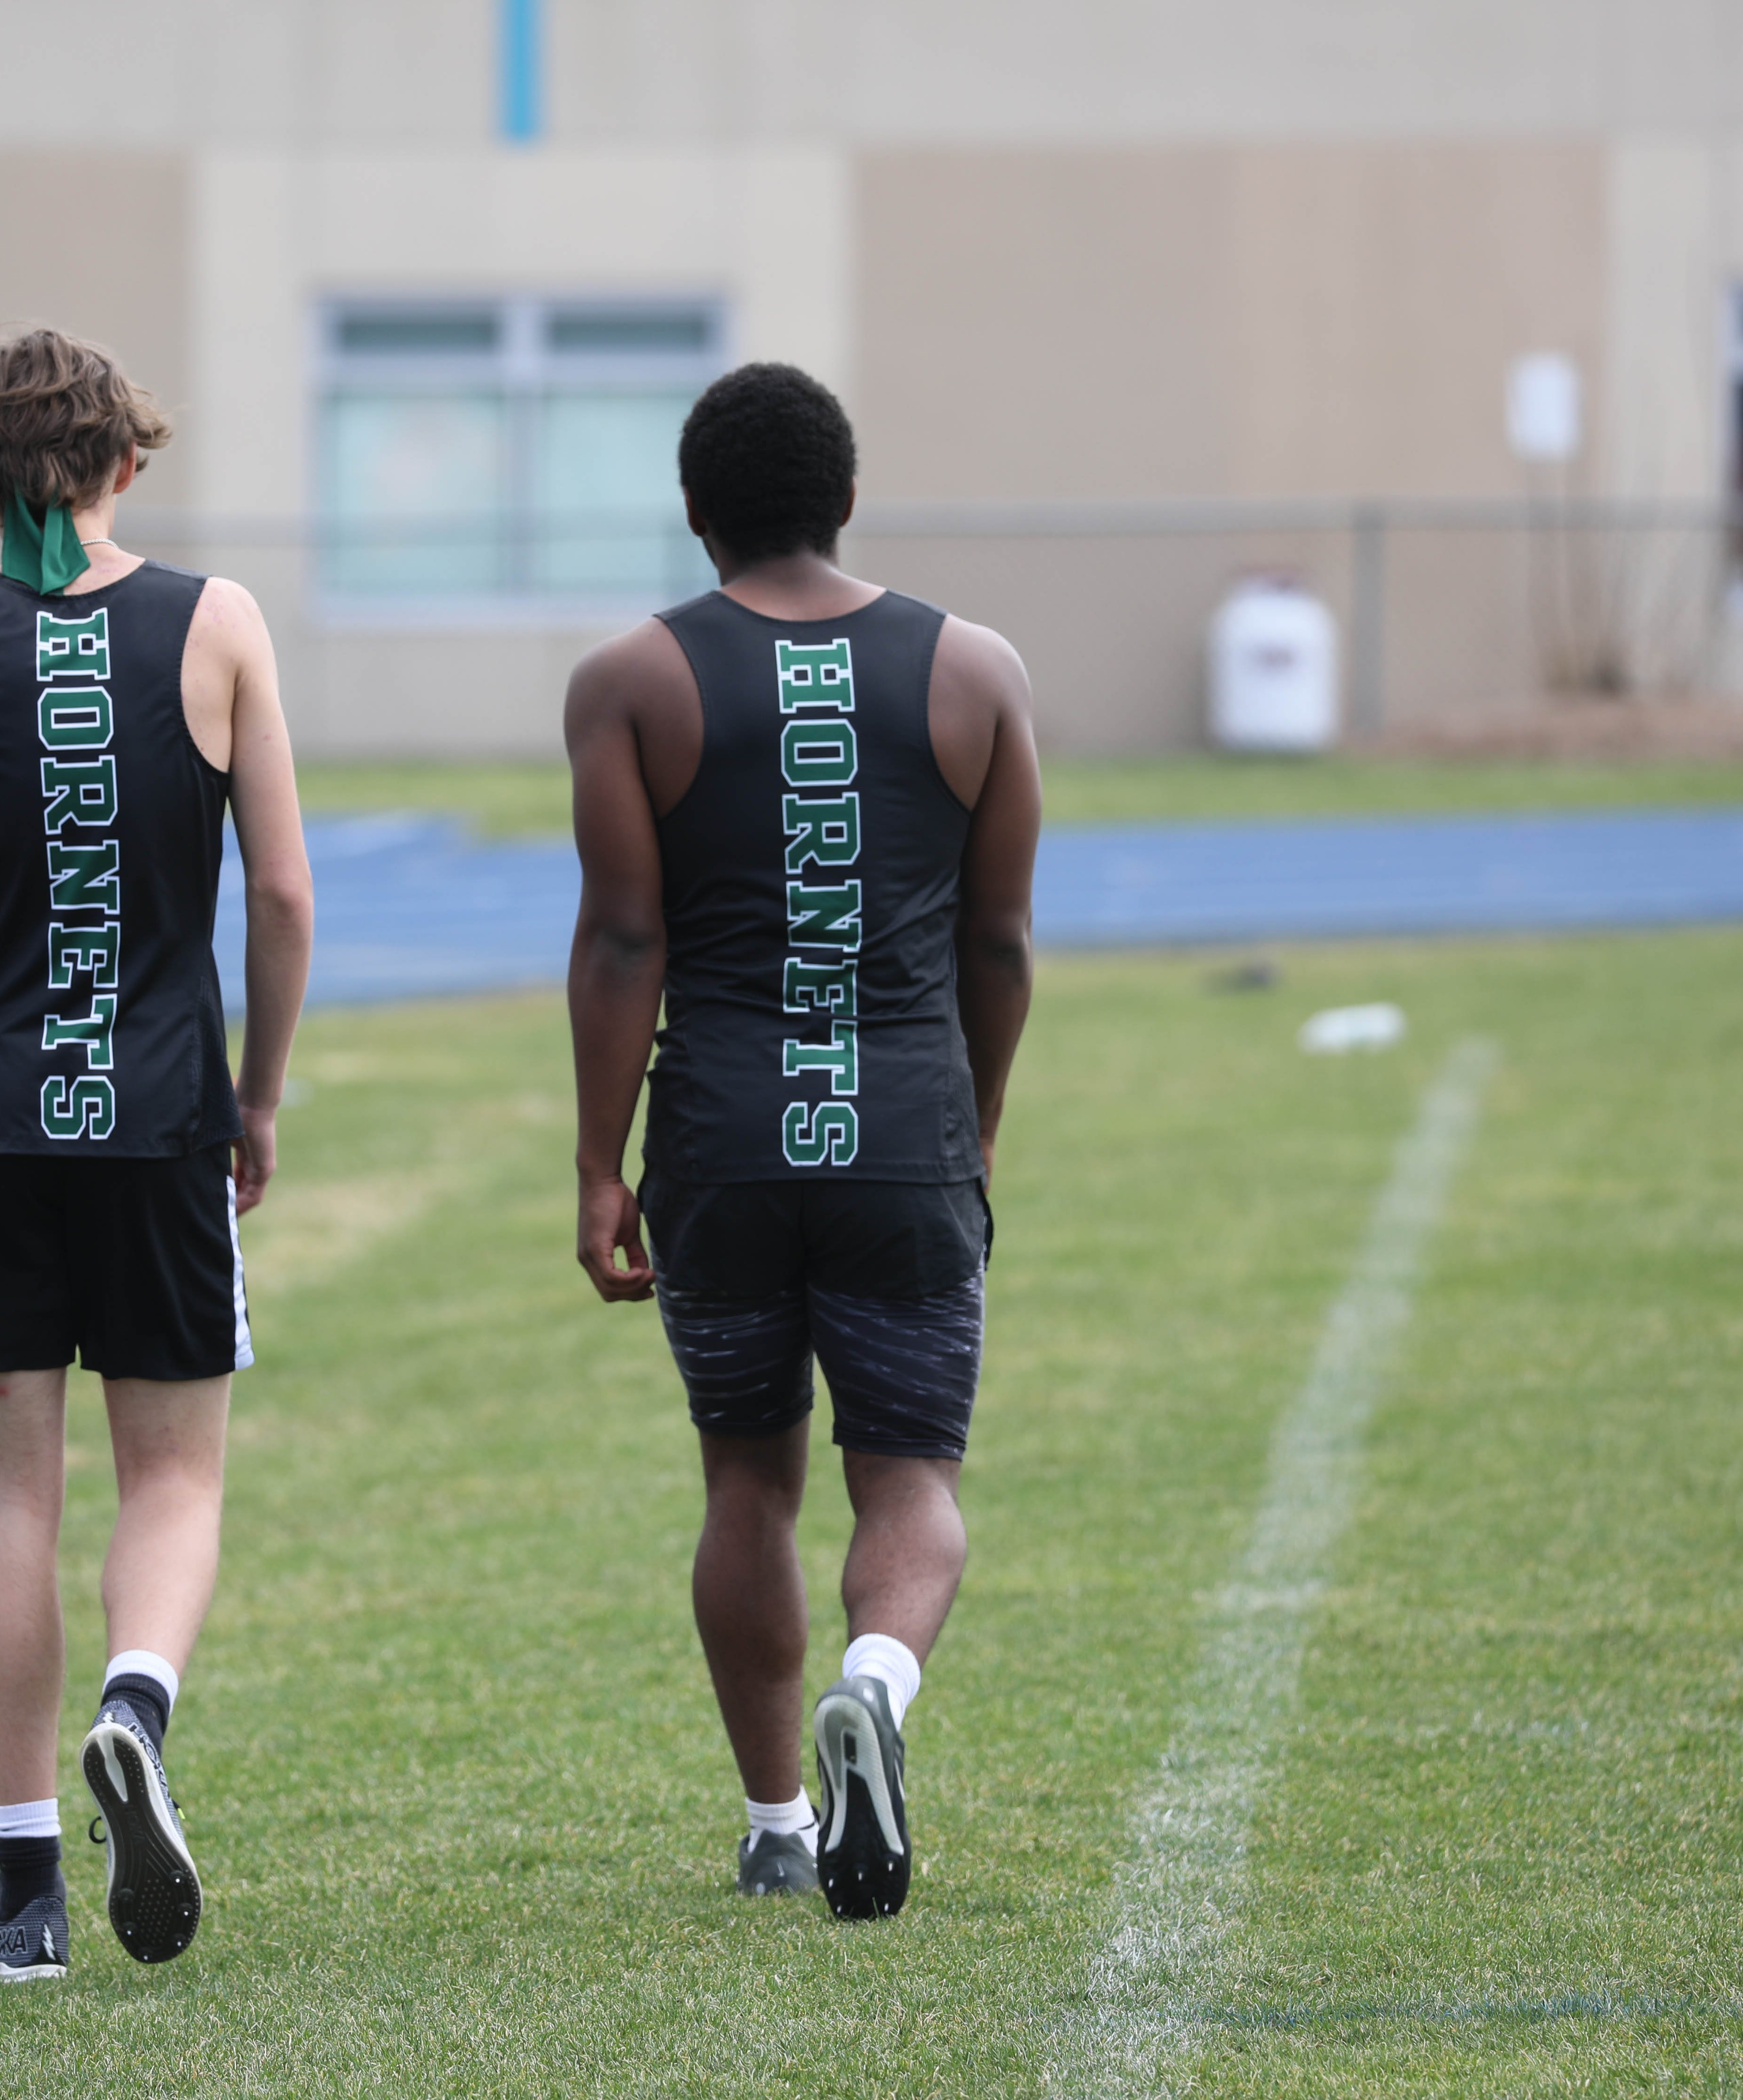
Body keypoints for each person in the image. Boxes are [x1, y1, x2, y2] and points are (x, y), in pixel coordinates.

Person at [0, 327, 314, 1982]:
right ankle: (137, 1707)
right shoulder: (219, 623)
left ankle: (29, 1901)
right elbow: (286, 897)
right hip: (167, 1121)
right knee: (174, 1473)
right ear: (126, 464)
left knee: (6, 1494)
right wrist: (258, 1098)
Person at [563, 363, 1040, 1918]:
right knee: (911, 1490)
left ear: (697, 514)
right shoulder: (975, 673)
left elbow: (625, 940)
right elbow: (1002, 944)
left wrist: (598, 1163)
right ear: (844, 499)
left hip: (721, 1144)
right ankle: (878, 1695)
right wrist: (972, 1128)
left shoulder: (631, 682)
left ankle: (778, 1821)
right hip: (905, 1131)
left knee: (746, 1486)